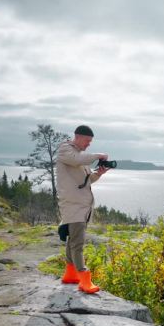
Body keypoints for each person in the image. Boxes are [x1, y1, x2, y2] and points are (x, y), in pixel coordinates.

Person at [56, 125, 109, 293]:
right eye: (87, 141)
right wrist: (97, 156)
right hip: (73, 205)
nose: (88, 144)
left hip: (80, 205)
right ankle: (84, 280)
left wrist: (98, 174)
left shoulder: (78, 157)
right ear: (78, 137)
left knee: (72, 240)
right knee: (78, 243)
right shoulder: (66, 150)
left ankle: (70, 274)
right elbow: (77, 159)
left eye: (90, 142)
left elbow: (86, 181)